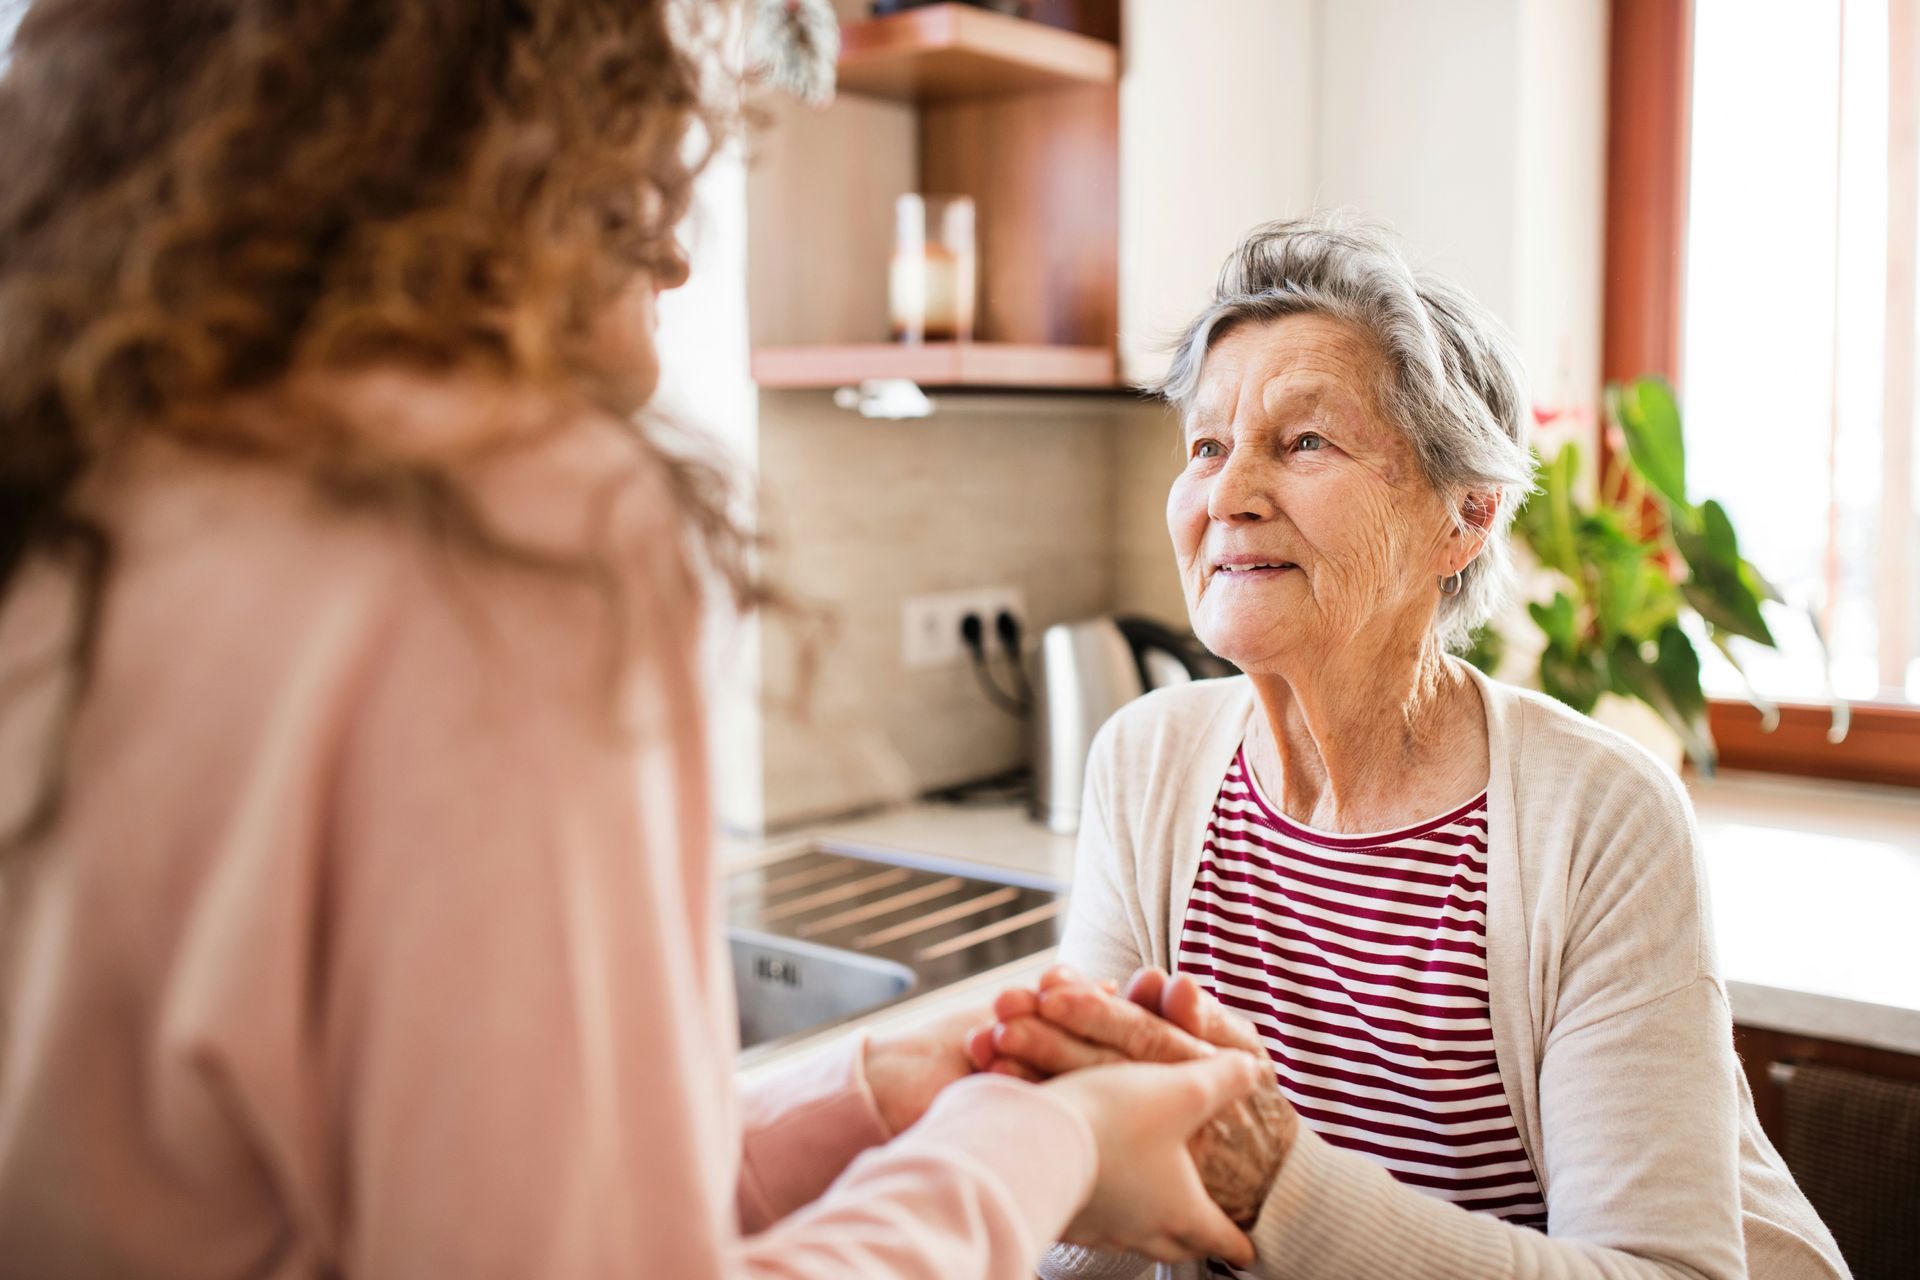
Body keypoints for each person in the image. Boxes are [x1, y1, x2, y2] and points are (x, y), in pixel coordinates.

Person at [0, 2, 1265, 1275]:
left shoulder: (90, 492)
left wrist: (875, 1090)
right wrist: (1038, 1142)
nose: (676, 259)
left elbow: (486, 1214)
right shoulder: (497, 526)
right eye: (634, 172)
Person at [976, 218, 1849, 1279]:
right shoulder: (1145, 764)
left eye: (1304, 442)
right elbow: (1094, 1214)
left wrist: (1277, 1186)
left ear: (1464, 516)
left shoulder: (1596, 818)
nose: (1228, 493)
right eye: (1206, 444)